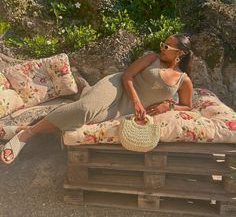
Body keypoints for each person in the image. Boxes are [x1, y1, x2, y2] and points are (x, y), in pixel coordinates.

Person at [0, 34, 193, 164]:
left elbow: (187, 106)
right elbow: (127, 76)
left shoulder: (184, 81)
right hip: (117, 86)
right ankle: (25, 137)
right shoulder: (152, 58)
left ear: (180, 53)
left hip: (126, 108)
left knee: (85, 120)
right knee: (84, 109)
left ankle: (18, 130)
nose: (161, 47)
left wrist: (168, 106)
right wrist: (137, 101)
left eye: (166, 46)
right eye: (162, 43)